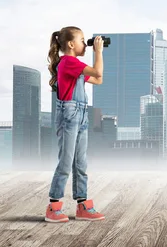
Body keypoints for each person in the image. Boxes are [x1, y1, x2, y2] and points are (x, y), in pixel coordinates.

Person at [45, 26, 106, 223]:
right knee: (66, 161)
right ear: (71, 44)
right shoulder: (69, 62)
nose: (85, 43)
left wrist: (98, 53)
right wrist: (97, 51)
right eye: (82, 40)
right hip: (69, 115)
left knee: (81, 163)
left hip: (81, 115)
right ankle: (53, 207)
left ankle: (82, 205)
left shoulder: (76, 66)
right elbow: (97, 71)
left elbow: (98, 79)